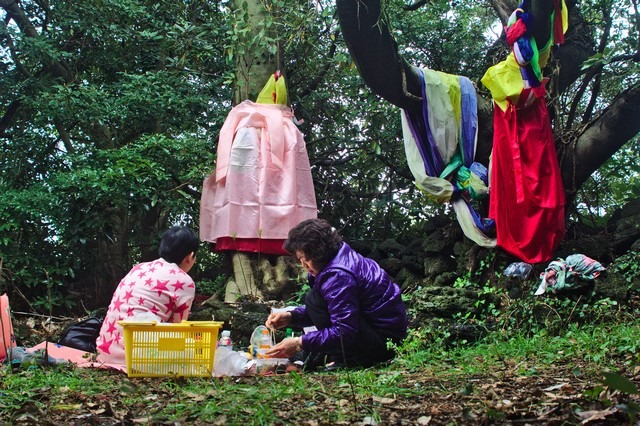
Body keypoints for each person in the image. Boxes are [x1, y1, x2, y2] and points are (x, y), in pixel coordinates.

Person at [265, 219, 408, 369]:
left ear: (318, 253)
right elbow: (334, 309)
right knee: (315, 300)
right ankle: (344, 355)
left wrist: (299, 343)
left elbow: (344, 329)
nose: (303, 266)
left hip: (384, 343)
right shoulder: (339, 256)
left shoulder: (338, 275)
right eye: (300, 260)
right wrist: (291, 317)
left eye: (305, 259)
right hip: (381, 334)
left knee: (313, 300)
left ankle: (352, 358)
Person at [95, 226, 199, 365]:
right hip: (140, 359)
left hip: (105, 353)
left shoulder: (139, 268)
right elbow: (178, 328)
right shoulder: (185, 281)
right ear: (190, 256)